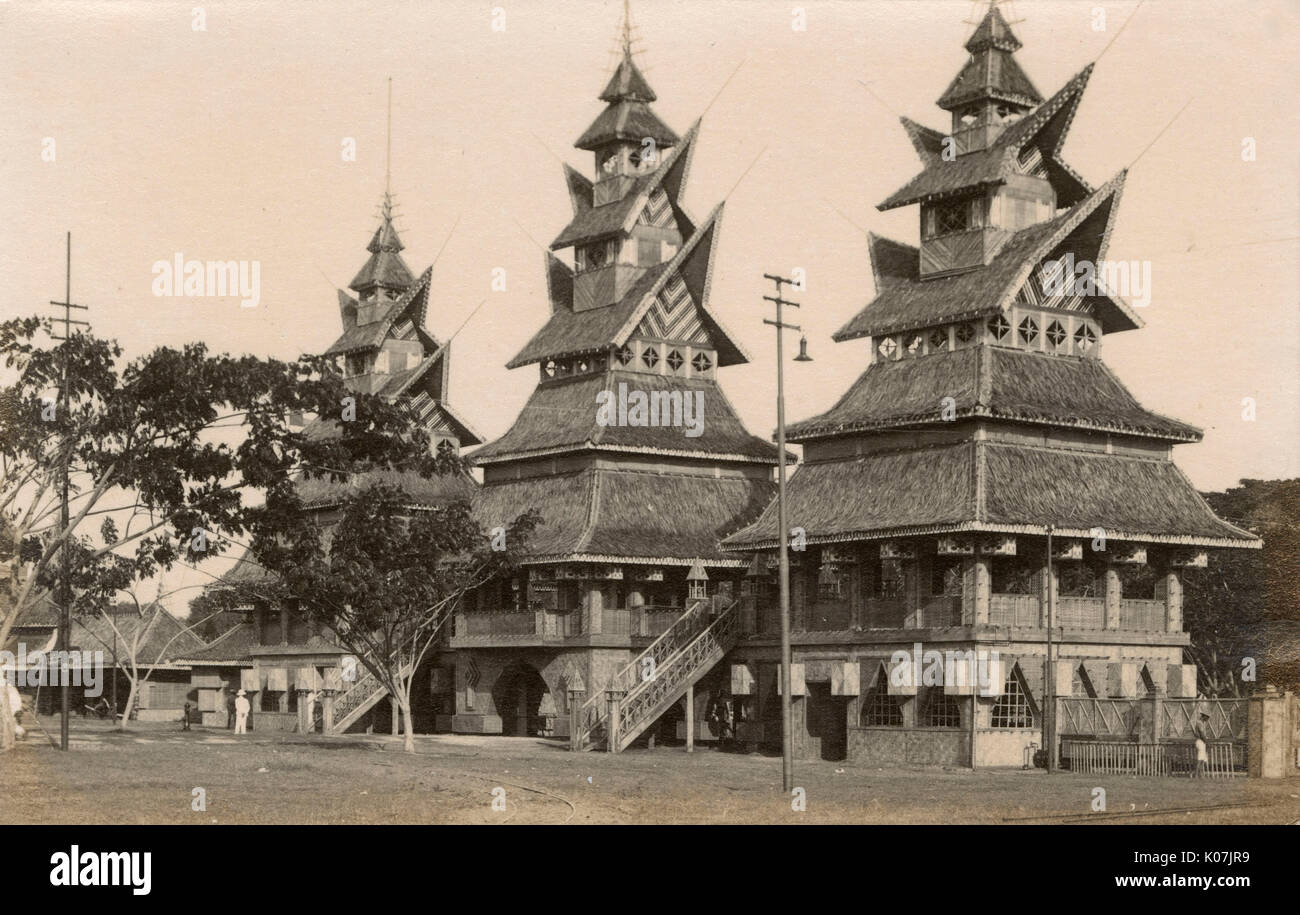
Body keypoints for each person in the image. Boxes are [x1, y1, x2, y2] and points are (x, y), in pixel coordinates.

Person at [1192, 711, 1210, 778]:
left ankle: (1201, 775)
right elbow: (1202, 735)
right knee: (1200, 759)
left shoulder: (1201, 723)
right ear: (1204, 716)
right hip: (1200, 741)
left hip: (1201, 741)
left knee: (1202, 759)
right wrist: (1206, 742)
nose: (1208, 719)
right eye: (1207, 717)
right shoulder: (1199, 723)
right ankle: (1196, 775)